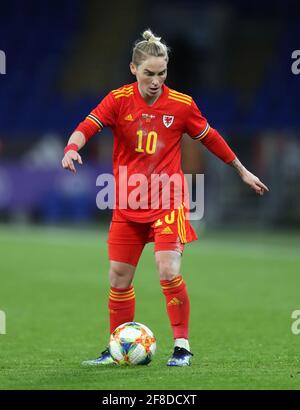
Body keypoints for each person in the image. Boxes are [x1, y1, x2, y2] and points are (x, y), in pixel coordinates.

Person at [62, 29, 269, 367]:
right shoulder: (117, 100)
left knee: (168, 270)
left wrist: (242, 170)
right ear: (133, 69)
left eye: (162, 73)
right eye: (149, 73)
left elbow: (211, 138)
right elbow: (87, 125)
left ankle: (182, 347)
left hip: (167, 202)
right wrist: (72, 148)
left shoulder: (182, 105)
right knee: (118, 277)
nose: (156, 80)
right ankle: (116, 348)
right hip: (128, 204)